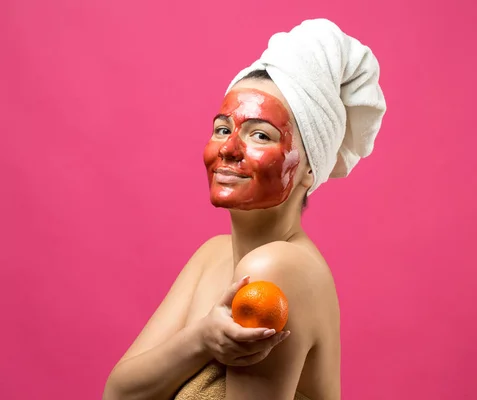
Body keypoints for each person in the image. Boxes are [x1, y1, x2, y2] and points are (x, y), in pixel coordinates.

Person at [103, 18, 386, 400]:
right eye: (223, 128)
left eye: (260, 134)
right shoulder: (212, 256)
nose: (228, 149)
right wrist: (201, 339)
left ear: (309, 169)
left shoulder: (276, 269)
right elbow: (118, 393)